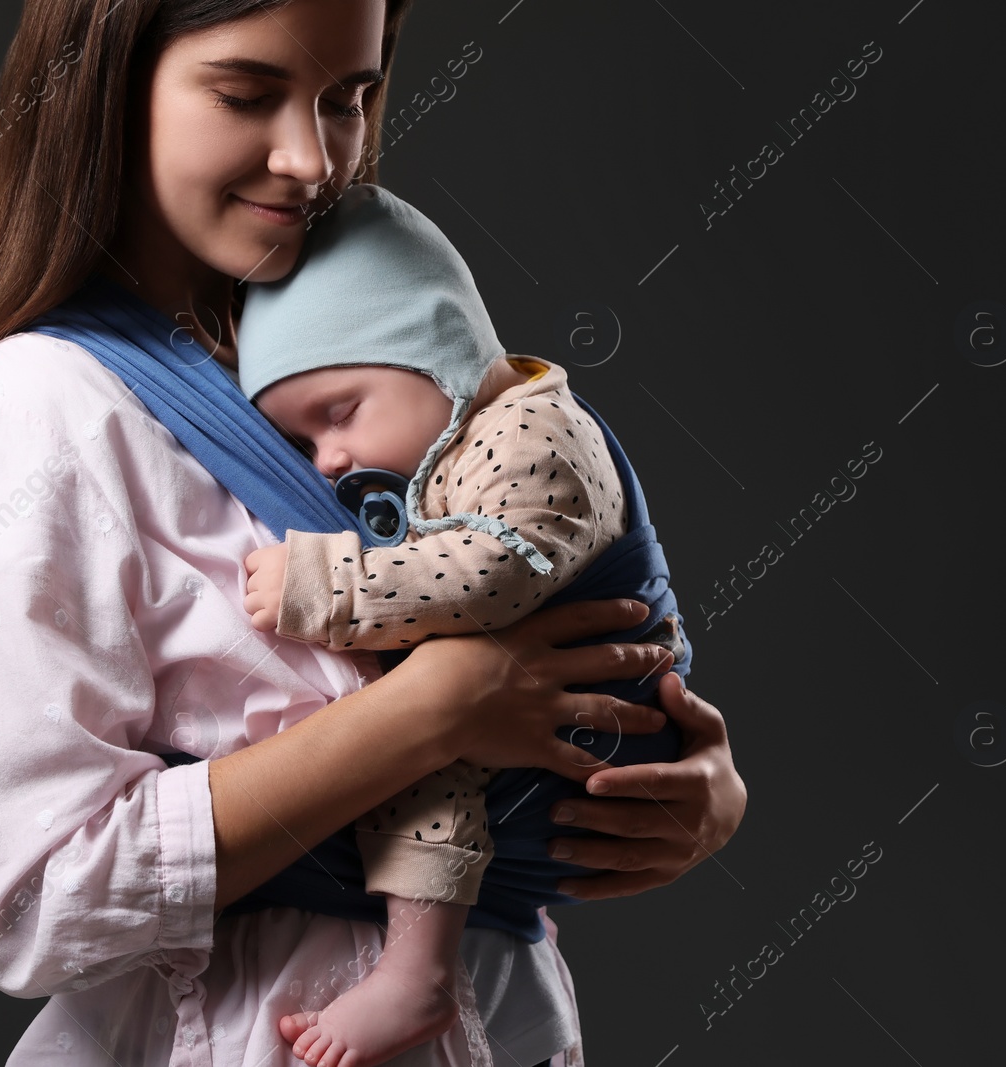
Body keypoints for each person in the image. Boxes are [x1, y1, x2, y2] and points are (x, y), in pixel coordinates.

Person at [0, 2, 746, 1064]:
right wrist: (433, 709)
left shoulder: (329, 359)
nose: (312, 157)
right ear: (102, 86)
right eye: (247, 93)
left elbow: (525, 609)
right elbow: (33, 904)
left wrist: (676, 780)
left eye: (348, 97)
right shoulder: (30, 414)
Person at [235, 183, 688, 1067]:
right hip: (562, 706)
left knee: (415, 746)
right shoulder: (461, 441)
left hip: (608, 710)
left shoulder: (532, 434)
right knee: (407, 732)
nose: (329, 460)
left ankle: (418, 973)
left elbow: (492, 573)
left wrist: (327, 586)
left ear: (433, 349)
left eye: (338, 412)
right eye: (301, 442)